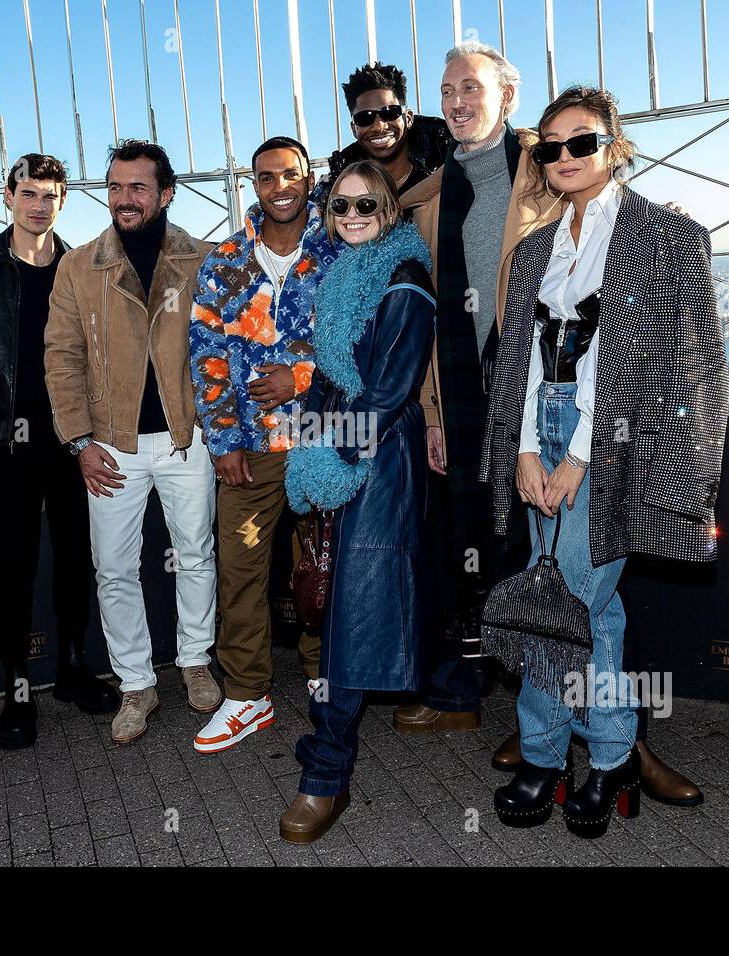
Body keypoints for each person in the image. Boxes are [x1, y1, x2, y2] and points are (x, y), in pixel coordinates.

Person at [482, 86, 727, 837]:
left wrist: (579, 458)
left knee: (568, 604)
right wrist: (526, 445)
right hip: (542, 427)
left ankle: (548, 756)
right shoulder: (532, 250)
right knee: (585, 604)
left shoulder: (670, 238)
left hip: (619, 442)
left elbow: (682, 365)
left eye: (580, 142)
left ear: (615, 146)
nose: (563, 158)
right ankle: (614, 762)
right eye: (547, 146)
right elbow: (521, 360)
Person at [0, 153, 118, 750]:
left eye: (51, 195)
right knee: (11, 568)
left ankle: (70, 667)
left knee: (74, 560)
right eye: (29, 193)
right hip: (7, 450)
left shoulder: (82, 268)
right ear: (7, 196)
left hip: (74, 443)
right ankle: (16, 689)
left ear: (63, 201)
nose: (39, 205)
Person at [278, 161, 436, 844]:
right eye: (339, 206)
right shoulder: (343, 274)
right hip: (341, 445)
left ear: (390, 207)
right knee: (344, 601)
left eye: (365, 204)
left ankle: (326, 775)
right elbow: (325, 377)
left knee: (353, 613)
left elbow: (387, 391)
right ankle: (332, 748)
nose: (351, 216)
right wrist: (307, 446)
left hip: (380, 457)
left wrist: (332, 455)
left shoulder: (407, 279)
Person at [397, 41, 550, 737]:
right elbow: (427, 318)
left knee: (537, 549)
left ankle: (539, 718)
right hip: (460, 396)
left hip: (537, 388)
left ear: (507, 98)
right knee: (463, 543)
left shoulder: (549, 172)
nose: (457, 102)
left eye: (472, 88)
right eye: (448, 89)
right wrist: (430, 413)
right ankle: (461, 691)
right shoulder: (428, 200)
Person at [44, 140, 219, 745]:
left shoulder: (202, 259)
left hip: (183, 438)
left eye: (138, 187)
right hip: (110, 445)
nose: (124, 199)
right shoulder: (79, 266)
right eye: (116, 187)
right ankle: (136, 685)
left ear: (165, 194)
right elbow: (61, 359)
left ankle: (195, 662)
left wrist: (211, 428)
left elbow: (224, 350)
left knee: (195, 552)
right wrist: (79, 443)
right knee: (114, 568)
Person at [189, 136, 340, 754]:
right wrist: (222, 439)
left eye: (290, 175)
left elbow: (366, 343)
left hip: (324, 441)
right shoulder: (225, 261)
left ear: (308, 178)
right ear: (254, 186)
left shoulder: (340, 250)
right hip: (249, 448)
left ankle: (323, 679)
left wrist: (298, 374)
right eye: (266, 177)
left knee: (323, 567)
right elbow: (207, 356)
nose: (279, 187)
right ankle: (247, 694)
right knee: (242, 571)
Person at [311, 61, 453, 203]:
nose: (379, 127)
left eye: (390, 113)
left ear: (408, 118)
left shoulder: (448, 156)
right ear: (354, 129)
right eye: (365, 117)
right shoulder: (336, 182)